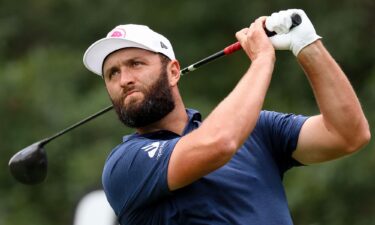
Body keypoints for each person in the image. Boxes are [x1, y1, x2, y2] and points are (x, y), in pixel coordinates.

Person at [83, 9, 370, 225]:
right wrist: (262, 60)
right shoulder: (125, 163)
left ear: (173, 72)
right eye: (113, 73)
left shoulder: (258, 130)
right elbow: (219, 143)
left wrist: (308, 45)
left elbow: (347, 134)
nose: (124, 80)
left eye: (135, 64)